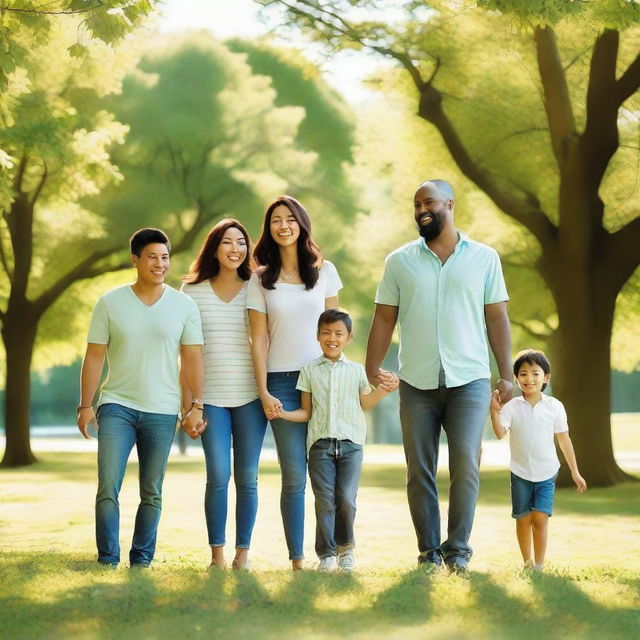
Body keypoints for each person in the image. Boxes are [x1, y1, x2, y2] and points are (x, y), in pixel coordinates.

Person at [365, 179, 513, 574]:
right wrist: (370, 366)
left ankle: (458, 549)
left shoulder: (484, 258)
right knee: (420, 469)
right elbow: (383, 317)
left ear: (449, 203)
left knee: (466, 462)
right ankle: (429, 550)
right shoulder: (399, 261)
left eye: (428, 202)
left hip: (470, 380)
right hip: (417, 382)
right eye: (416, 205)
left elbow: (496, 316)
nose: (421, 210)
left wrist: (507, 375)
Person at [77, 227, 205, 568]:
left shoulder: (184, 305)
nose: (160, 264)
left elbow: (193, 358)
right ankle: (107, 558)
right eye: (152, 256)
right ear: (135, 259)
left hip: (162, 410)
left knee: (152, 491)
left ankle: (142, 558)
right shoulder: (110, 302)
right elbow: (94, 356)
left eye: (165, 257)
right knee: (108, 486)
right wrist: (85, 405)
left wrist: (196, 405)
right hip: (117, 404)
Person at [248, 195, 343, 570]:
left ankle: (332, 554)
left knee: (328, 474)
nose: (283, 225)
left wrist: (342, 377)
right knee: (294, 476)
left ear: (301, 223)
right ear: (269, 229)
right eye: (275, 220)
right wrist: (263, 390)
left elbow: (337, 329)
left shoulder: (325, 271)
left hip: (322, 380)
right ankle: (297, 558)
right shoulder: (260, 279)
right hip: (282, 384)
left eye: (289, 218)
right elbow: (258, 339)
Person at [274, 309, 399, 572]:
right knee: (324, 499)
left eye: (338, 333)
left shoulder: (356, 371)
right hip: (320, 445)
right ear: (318, 336)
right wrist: (283, 413)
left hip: (351, 445)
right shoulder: (308, 371)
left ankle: (346, 550)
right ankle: (327, 554)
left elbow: (365, 402)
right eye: (326, 333)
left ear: (349, 338)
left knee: (346, 499)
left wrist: (384, 390)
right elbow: (306, 412)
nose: (332, 338)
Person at [181, 219, 267, 570]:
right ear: (214, 247)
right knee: (217, 475)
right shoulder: (192, 290)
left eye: (241, 242)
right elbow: (186, 353)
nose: (235, 249)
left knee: (247, 477)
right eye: (228, 242)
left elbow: (265, 340)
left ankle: (242, 554)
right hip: (210, 399)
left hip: (250, 397)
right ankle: (216, 555)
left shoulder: (258, 286)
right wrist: (189, 406)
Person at [490, 349, 587, 571]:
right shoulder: (512, 406)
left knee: (540, 519)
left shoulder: (555, 406)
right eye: (523, 374)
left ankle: (539, 566)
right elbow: (499, 433)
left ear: (546, 377)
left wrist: (575, 471)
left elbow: (564, 440)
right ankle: (526, 563)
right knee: (523, 519)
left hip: (547, 472)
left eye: (535, 373)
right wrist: (494, 412)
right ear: (516, 378)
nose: (529, 379)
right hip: (520, 472)